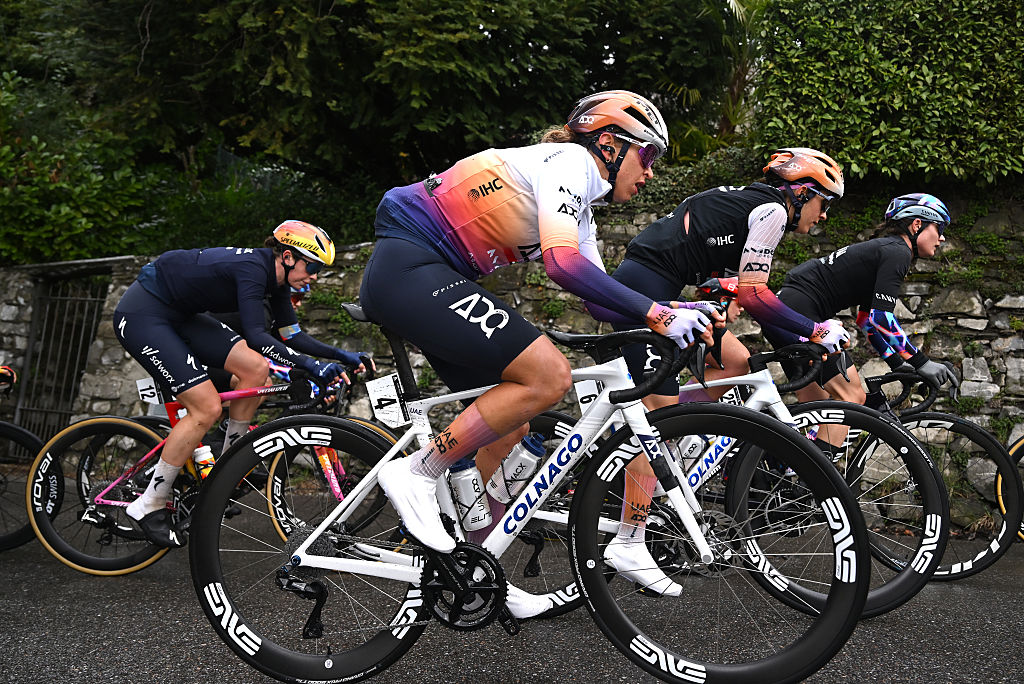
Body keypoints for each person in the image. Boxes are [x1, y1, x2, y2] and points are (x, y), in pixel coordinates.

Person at [359, 90, 713, 617]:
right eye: (650, 156)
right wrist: (660, 316)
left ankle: (480, 568)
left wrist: (672, 313)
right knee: (548, 376)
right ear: (611, 144)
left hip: (431, 275)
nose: (652, 174)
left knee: (511, 426)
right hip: (409, 267)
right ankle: (418, 471)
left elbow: (596, 295)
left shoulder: (584, 209)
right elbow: (562, 266)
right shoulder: (572, 162)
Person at [586, 148, 850, 595]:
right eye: (823, 203)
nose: (822, 216)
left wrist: (716, 317)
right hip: (643, 290)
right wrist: (814, 329)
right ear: (802, 192)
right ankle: (630, 538)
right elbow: (755, 295)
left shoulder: (749, 205)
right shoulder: (770, 211)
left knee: (734, 362)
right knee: (660, 416)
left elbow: (725, 288)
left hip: (661, 287)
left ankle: (677, 441)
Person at [114, 220, 366, 547]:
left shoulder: (276, 282)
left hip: (179, 314)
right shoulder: (252, 268)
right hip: (143, 314)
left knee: (255, 369)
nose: (315, 276)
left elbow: (293, 336)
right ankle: (149, 503)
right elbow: (258, 336)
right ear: (288, 257)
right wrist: (312, 365)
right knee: (206, 408)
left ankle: (229, 464)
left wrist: (341, 356)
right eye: (313, 266)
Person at [759, 192, 959, 408]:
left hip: (786, 312)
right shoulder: (897, 252)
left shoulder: (885, 250)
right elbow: (881, 318)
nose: (942, 238)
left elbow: (865, 320)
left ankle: (785, 442)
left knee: (817, 408)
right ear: (917, 224)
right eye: (939, 228)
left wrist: (896, 363)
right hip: (800, 314)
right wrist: (920, 361)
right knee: (851, 398)